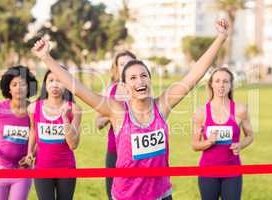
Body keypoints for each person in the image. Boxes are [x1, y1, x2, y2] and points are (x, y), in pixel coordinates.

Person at [32, 19, 229, 200]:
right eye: (133, 78)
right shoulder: (118, 112)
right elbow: (78, 88)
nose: (140, 81)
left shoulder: (162, 106)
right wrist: (46, 58)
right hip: (127, 195)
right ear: (124, 86)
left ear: (150, 80)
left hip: (161, 194)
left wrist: (220, 38)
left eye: (143, 76)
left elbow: (194, 75)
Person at [192, 67, 253, 200]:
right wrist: (209, 142)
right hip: (207, 172)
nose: (221, 85)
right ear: (211, 84)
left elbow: (250, 136)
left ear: (231, 85)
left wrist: (240, 145)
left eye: (225, 81)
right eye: (217, 81)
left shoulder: (240, 110)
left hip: (232, 172)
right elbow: (195, 145)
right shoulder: (201, 112)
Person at [0, 65, 38, 200]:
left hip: (22, 172)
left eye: (22, 84)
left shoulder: (34, 110)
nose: (18, 87)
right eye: (14, 84)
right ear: (9, 88)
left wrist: (31, 155)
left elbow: (39, 139)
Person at [26, 68, 82, 200]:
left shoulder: (74, 109)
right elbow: (34, 131)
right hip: (42, 168)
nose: (55, 85)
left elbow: (73, 144)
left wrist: (65, 118)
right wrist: (29, 152)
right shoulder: (34, 108)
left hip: (66, 168)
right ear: (45, 84)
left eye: (59, 81)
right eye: (51, 80)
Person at [95, 50, 136, 199]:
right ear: (116, 68)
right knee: (113, 195)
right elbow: (98, 123)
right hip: (114, 151)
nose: (125, 67)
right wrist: (112, 112)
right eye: (122, 64)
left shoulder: (142, 90)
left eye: (129, 63)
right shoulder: (109, 91)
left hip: (138, 153)